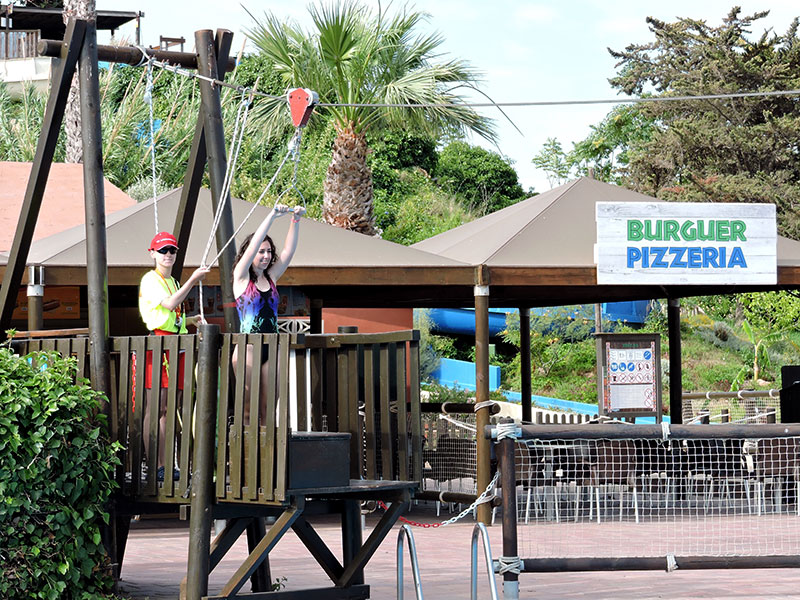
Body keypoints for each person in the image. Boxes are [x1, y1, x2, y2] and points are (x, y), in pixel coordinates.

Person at [138, 231, 210, 480]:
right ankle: (155, 464)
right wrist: (193, 280)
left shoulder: (174, 281)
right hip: (158, 344)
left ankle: (167, 464)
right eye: (163, 250)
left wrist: (191, 320)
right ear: (152, 253)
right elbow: (167, 305)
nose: (168, 255)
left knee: (170, 409)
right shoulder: (150, 279)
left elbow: (172, 314)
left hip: (175, 344)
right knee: (155, 408)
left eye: (172, 251)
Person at [232, 204, 304, 424]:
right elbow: (253, 246)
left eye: (268, 252)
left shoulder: (272, 278)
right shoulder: (241, 278)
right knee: (248, 407)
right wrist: (272, 216)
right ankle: (244, 455)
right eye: (261, 252)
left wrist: (295, 220)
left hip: (272, 347)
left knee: (267, 408)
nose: (265, 256)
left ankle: (265, 454)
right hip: (249, 347)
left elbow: (288, 252)